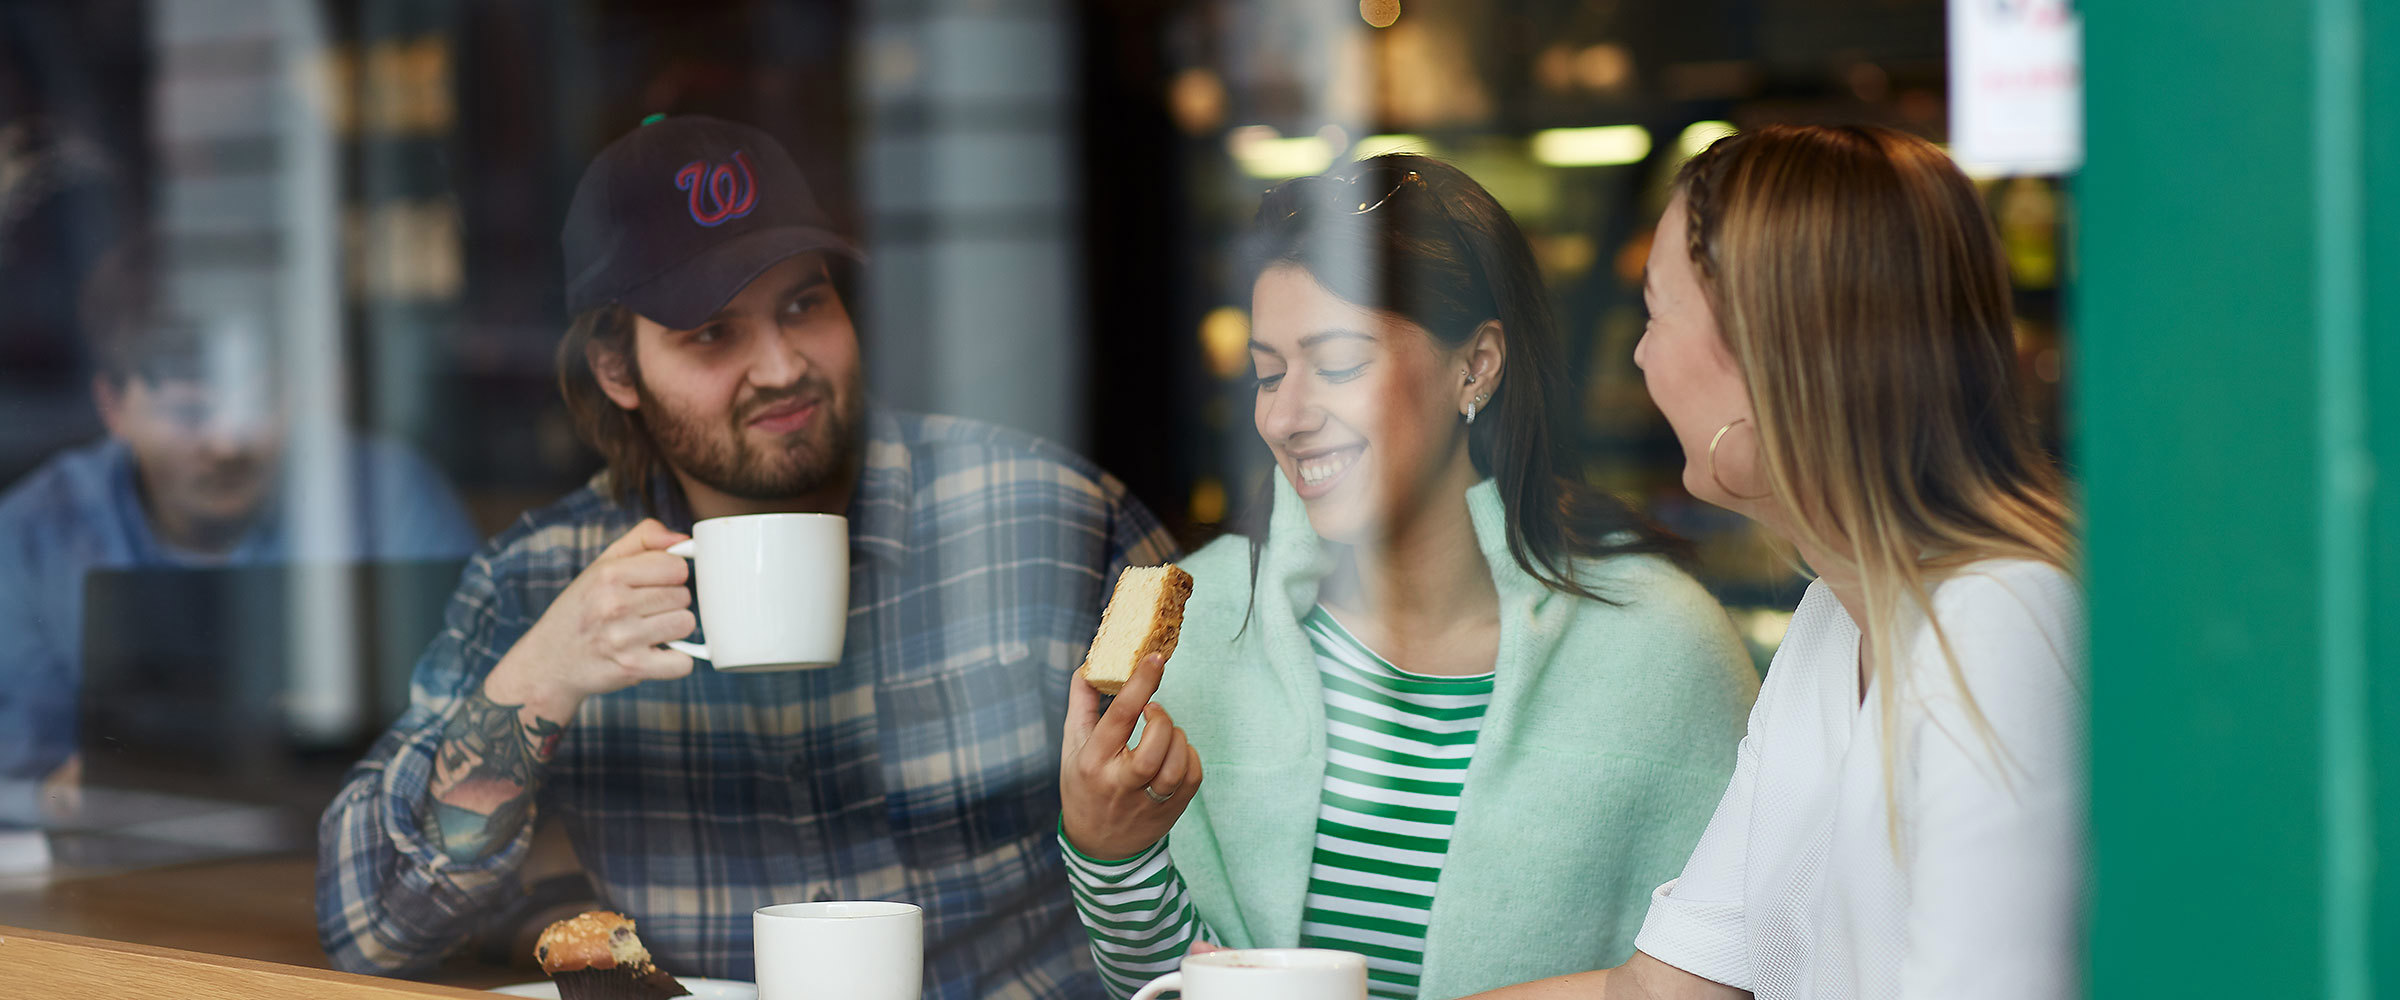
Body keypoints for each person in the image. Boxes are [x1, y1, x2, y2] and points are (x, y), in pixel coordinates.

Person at [315, 115, 1175, 999]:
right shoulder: (543, 579)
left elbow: (1227, 858)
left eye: (804, 304)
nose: (780, 366)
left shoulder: (1040, 518)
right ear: (617, 369)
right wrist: (543, 677)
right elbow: (367, 928)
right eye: (713, 333)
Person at [1057, 154, 1760, 1000]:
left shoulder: (1664, 649)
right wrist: (1111, 855)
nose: (1283, 416)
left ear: (1478, 365)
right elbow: (1178, 988)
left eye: (1341, 364)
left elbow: (1733, 977)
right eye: (1268, 373)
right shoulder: (1204, 630)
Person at [1464, 125, 2085, 1000]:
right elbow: (1663, 992)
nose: (1640, 354)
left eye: (1657, 312)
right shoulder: (1837, 617)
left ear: (1770, 353)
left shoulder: (2000, 628)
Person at [0, 233, 479, 814]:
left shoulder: (389, 498)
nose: (226, 442)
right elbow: (17, 771)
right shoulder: (33, 537)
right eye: (189, 411)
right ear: (113, 408)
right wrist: (56, 797)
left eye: (251, 402)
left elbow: (479, 727)